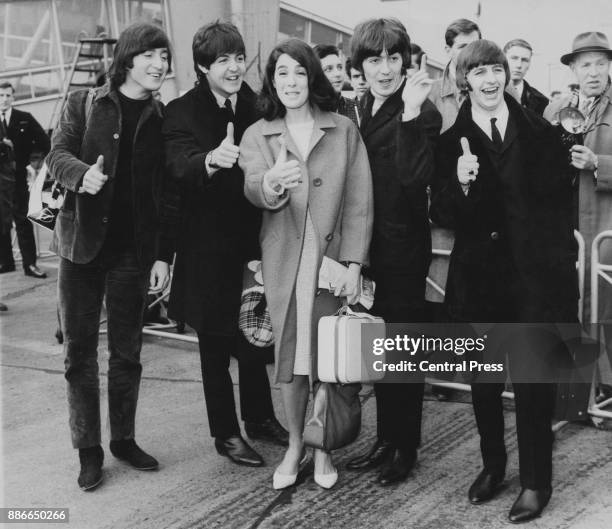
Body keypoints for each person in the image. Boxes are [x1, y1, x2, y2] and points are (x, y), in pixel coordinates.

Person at [430, 40, 578, 523]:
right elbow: (442, 212)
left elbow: (560, 210)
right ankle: (494, 465)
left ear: (507, 76)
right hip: (482, 282)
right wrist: (462, 181)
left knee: (534, 384)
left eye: (496, 70)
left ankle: (537, 482)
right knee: (485, 383)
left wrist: (559, 284)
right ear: (464, 80)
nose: (490, 79)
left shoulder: (540, 132)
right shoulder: (452, 139)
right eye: (479, 72)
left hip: (533, 282)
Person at [239, 38, 373, 490]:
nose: (291, 81)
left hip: (330, 262)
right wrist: (271, 184)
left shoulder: (343, 130)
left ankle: (325, 446)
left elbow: (359, 202)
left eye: (299, 71)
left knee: (328, 356)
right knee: (291, 358)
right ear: (272, 83)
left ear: (312, 76)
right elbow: (254, 185)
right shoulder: (258, 133)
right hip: (284, 263)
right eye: (281, 73)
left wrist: (353, 263)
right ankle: (296, 443)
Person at [46, 23, 175, 491]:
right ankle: (89, 450)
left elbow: (167, 195)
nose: (160, 64)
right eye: (150, 55)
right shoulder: (85, 102)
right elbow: (55, 155)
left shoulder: (164, 118)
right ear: (128, 58)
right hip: (81, 250)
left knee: (128, 353)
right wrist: (83, 176)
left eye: (165, 55)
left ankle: (123, 439)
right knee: (79, 355)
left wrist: (163, 255)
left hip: (133, 254)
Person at [162, 21, 288, 468]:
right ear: (202, 66)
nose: (234, 67)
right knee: (214, 345)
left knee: (255, 334)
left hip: (255, 241)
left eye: (238, 58)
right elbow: (177, 164)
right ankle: (226, 433)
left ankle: (259, 418)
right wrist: (211, 160)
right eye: (222, 60)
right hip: (205, 249)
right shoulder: (180, 111)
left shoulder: (260, 104)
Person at [344, 18, 441, 486]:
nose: (385, 69)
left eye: (393, 58)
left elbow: (413, 178)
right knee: (378, 351)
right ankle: (384, 439)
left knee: (403, 351)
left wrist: (408, 115)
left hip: (402, 250)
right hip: (363, 250)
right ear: (361, 65)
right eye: (374, 59)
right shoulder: (355, 107)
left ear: (407, 60)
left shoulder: (422, 111)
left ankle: (406, 447)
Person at [544, 31, 612, 398]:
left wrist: (598, 163)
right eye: (586, 64)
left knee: (604, 306)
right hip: (563, 225)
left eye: (601, 63)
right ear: (573, 68)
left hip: (604, 226)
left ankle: (603, 388)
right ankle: (572, 391)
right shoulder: (556, 109)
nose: (594, 72)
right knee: (566, 305)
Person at [0, 82, 50, 277]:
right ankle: (5, 262)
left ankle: (30, 265)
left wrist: (33, 166)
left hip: (20, 179)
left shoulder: (25, 119)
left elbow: (45, 143)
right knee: (1, 223)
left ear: (14, 97)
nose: (4, 99)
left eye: (7, 95)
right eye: (1, 95)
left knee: (22, 221)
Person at [429, 18, 481, 133]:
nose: (470, 52)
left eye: (475, 46)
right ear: (448, 50)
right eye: (463, 47)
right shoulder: (430, 93)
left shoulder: (499, 87)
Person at [313, 44, 360, 127]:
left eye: (339, 67)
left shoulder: (357, 108)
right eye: (328, 69)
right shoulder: (307, 111)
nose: (338, 74)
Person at [503, 39, 549, 115]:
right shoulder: (489, 92)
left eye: (525, 60)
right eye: (514, 58)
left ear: (529, 64)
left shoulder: (541, 101)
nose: (519, 65)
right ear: (503, 60)